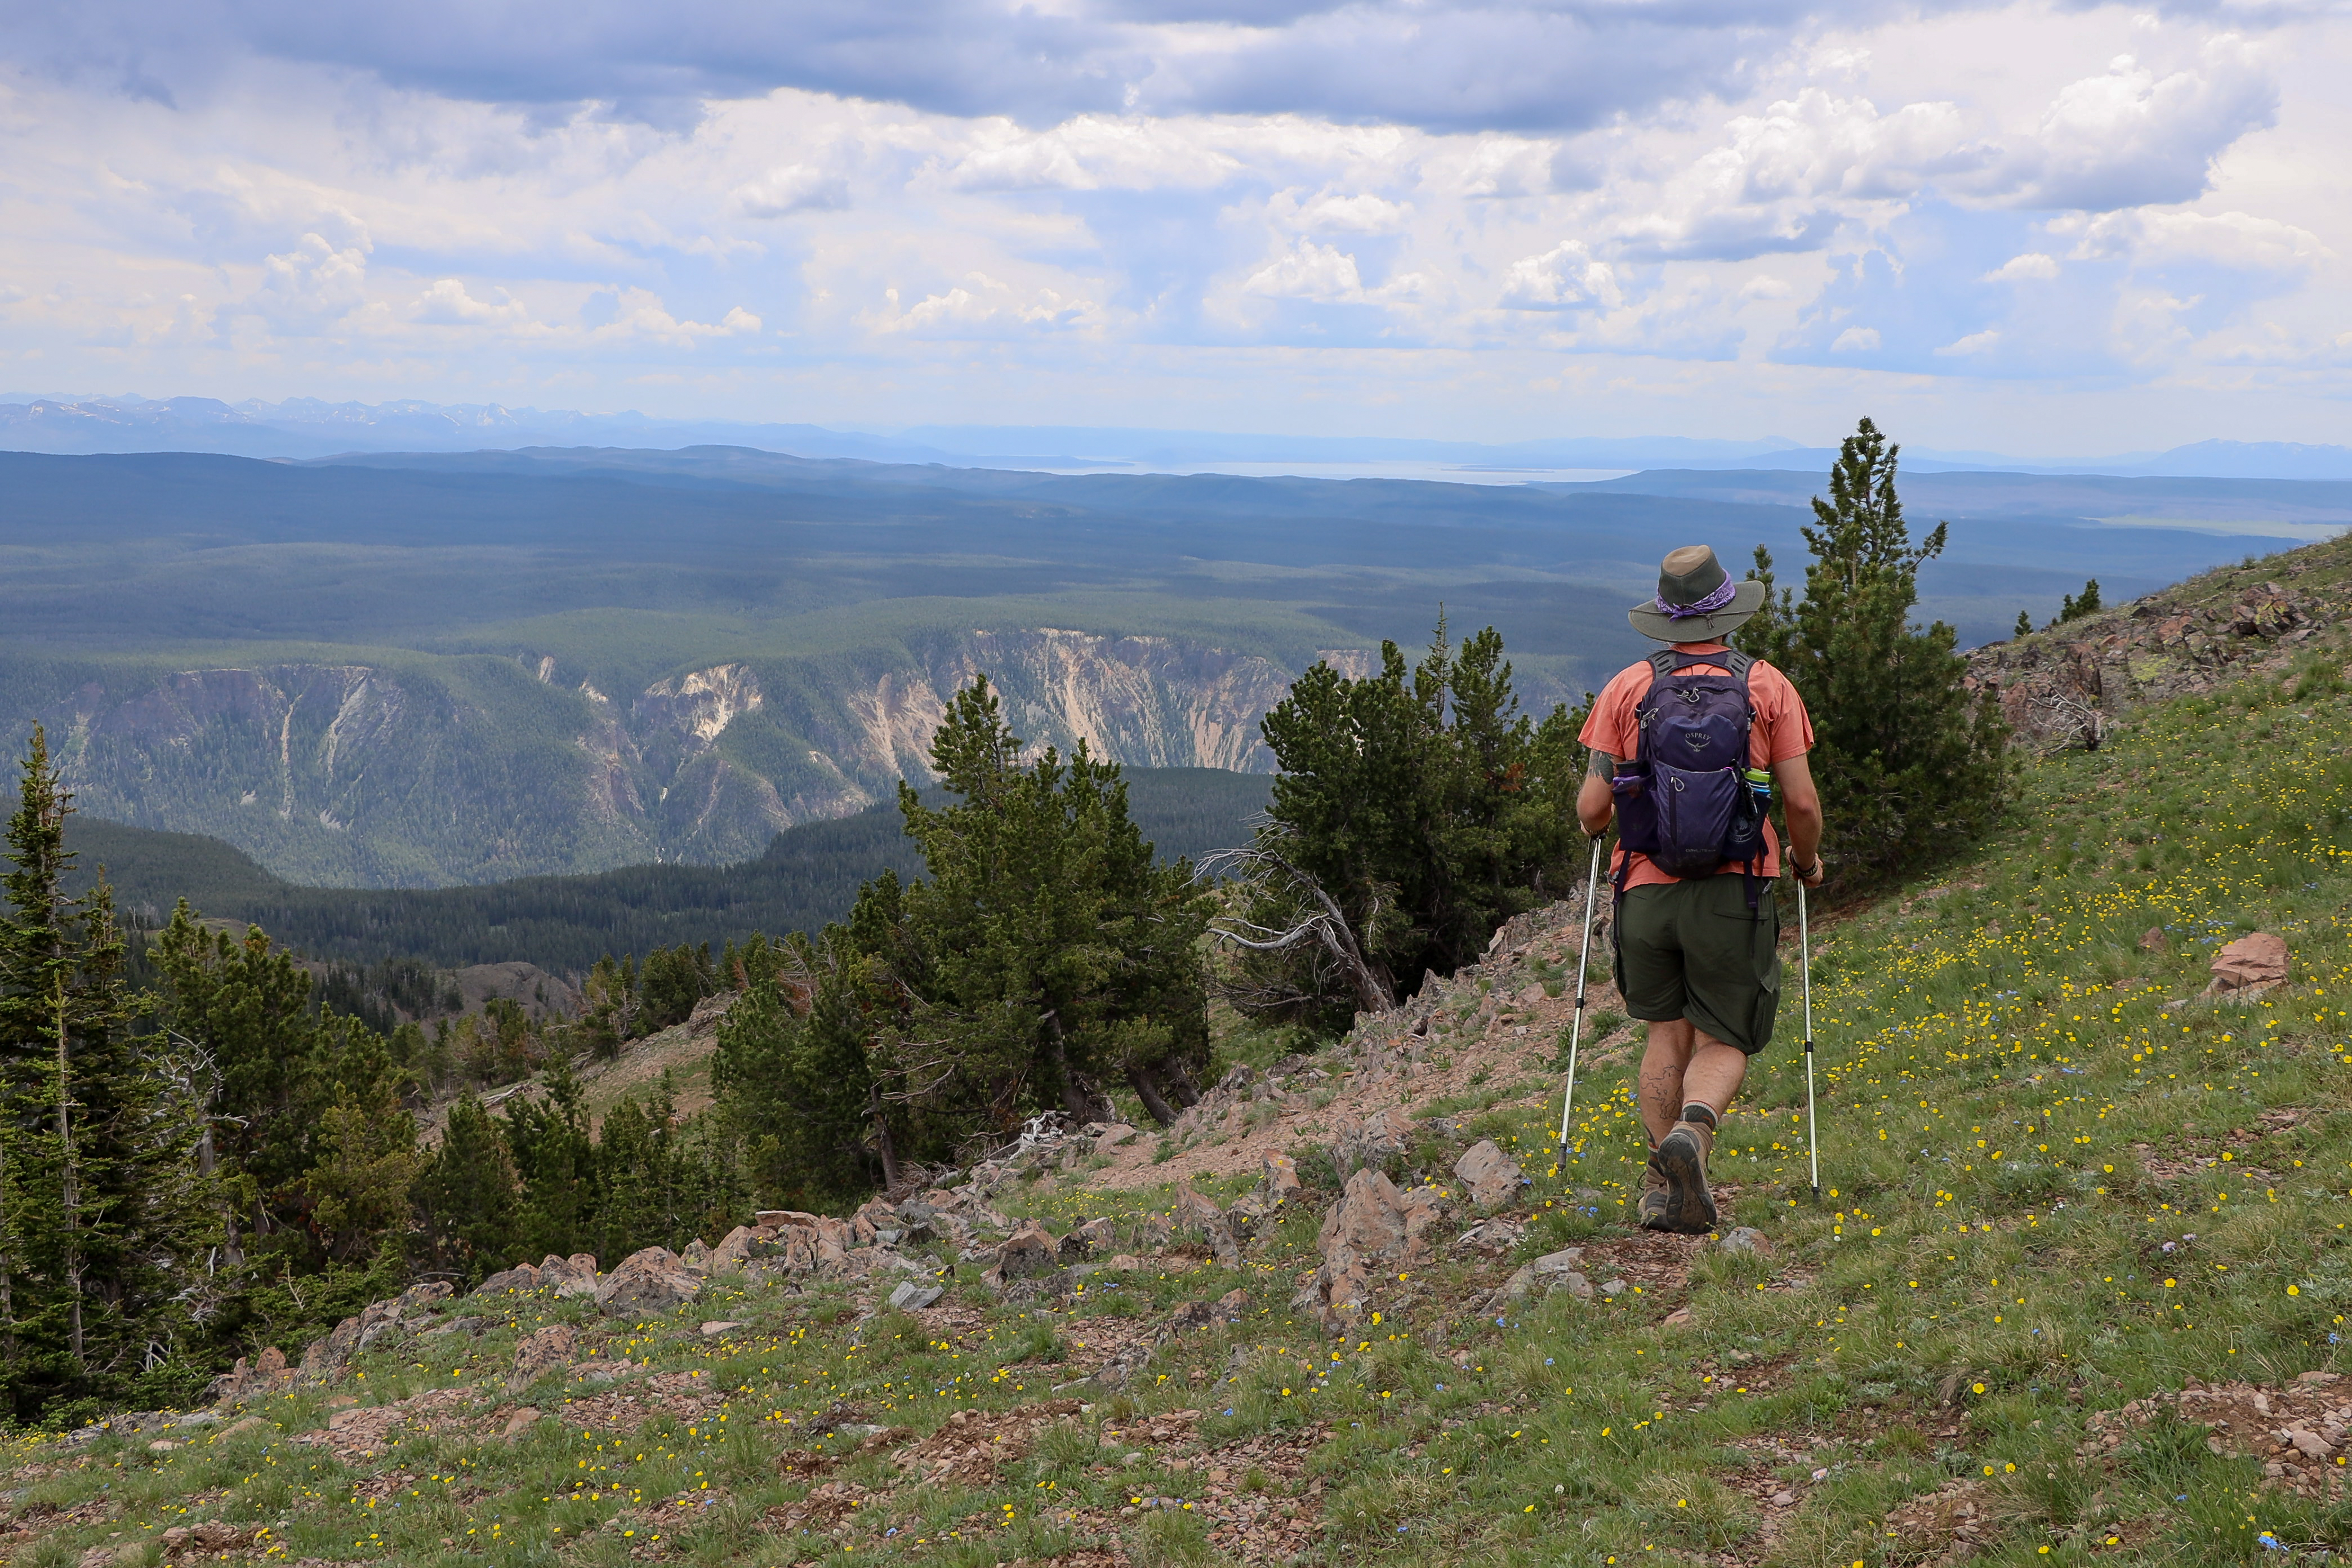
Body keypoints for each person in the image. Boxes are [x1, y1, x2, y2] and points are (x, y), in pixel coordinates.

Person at [1575, 545, 1824, 1234]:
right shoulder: (1768, 687)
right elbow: (1800, 803)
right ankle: (1697, 1132)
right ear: (1729, 614)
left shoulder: (1626, 688)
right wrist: (1807, 864)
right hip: (1734, 889)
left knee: (1665, 1033)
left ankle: (1663, 1183)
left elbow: (1593, 810)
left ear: (1663, 617)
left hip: (1646, 892)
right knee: (1725, 1037)